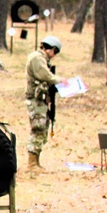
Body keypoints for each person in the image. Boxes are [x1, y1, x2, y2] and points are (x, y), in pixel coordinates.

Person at [25, 36, 65, 170]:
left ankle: (36, 161)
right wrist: (59, 80)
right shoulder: (37, 58)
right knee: (38, 128)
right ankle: (31, 163)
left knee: (42, 129)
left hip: (41, 100)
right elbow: (45, 75)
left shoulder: (41, 58)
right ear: (52, 49)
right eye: (55, 52)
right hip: (35, 100)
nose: (54, 56)